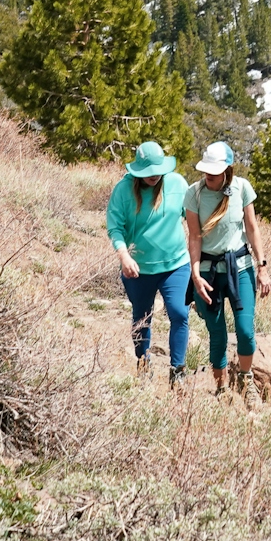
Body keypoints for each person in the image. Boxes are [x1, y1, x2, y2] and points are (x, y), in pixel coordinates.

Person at [185, 141, 271, 408]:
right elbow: (195, 236)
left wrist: (263, 266)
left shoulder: (242, 188)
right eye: (206, 171)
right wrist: (196, 275)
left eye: (215, 170)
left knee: (246, 332)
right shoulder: (194, 194)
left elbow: (252, 227)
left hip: (240, 268)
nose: (209, 176)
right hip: (209, 273)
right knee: (218, 334)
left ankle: (245, 380)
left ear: (227, 169)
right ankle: (221, 387)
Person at [106, 139, 191, 388]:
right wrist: (124, 256)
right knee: (141, 319)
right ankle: (143, 363)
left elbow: (193, 220)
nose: (154, 176)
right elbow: (114, 227)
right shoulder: (123, 190)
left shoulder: (177, 184)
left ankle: (178, 371)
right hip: (139, 269)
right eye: (148, 172)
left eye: (158, 170)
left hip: (176, 264)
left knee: (179, 313)